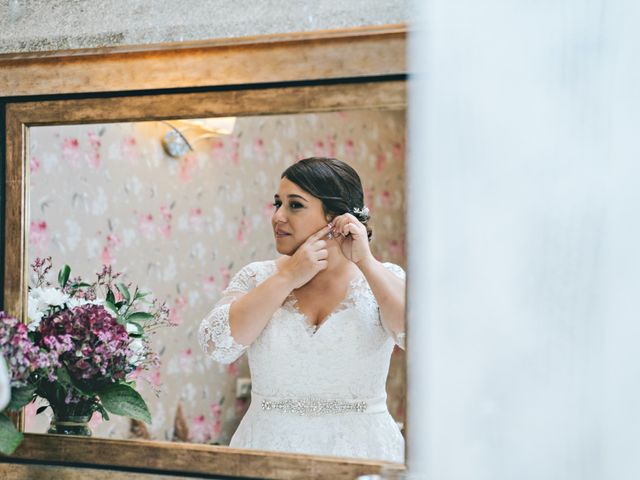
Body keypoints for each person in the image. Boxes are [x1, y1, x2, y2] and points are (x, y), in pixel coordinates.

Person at [197, 157, 406, 462]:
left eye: (295, 205)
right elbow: (217, 346)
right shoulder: (258, 277)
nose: (278, 216)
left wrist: (366, 262)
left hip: (364, 451)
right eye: (277, 203)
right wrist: (287, 276)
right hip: (267, 450)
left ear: (338, 216)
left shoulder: (385, 277)